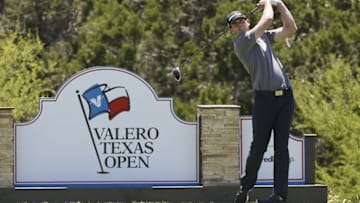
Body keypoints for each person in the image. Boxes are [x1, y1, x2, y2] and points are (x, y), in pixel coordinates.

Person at [226, 0, 297, 202]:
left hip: (285, 97)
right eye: (235, 24)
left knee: (281, 148)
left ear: (248, 21)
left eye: (242, 21)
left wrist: (280, 4)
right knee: (259, 147)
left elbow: (291, 28)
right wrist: (268, 3)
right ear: (231, 31)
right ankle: (245, 188)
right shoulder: (241, 43)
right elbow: (267, 19)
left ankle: (279, 196)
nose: (240, 25)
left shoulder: (264, 37)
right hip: (264, 101)